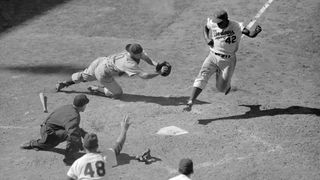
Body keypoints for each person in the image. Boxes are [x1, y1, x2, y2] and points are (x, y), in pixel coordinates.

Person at [183, 9, 262, 112]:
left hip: (228, 61)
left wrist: (255, 32)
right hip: (212, 57)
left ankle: (223, 79)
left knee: (221, 89)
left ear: (226, 20)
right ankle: (190, 102)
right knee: (201, 77)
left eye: (219, 22)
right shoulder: (213, 23)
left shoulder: (237, 26)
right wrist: (207, 39)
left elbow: (250, 34)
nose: (217, 24)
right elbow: (206, 28)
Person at [56, 43, 168, 98]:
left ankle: (65, 83)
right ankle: (99, 89)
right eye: (139, 53)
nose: (142, 53)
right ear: (134, 53)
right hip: (103, 73)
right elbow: (144, 76)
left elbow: (146, 58)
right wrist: (158, 73)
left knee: (84, 76)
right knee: (118, 94)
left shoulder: (134, 51)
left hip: (101, 61)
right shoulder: (128, 63)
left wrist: (157, 65)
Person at [20, 94, 90, 165]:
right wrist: (82, 147)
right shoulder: (74, 116)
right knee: (73, 136)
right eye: (85, 105)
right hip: (49, 134)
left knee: (75, 131)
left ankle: (36, 143)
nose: (86, 106)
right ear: (82, 105)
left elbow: (72, 126)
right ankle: (69, 159)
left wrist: (84, 134)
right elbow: (73, 134)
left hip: (46, 128)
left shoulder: (68, 107)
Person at [66, 115, 131, 180]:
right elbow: (119, 144)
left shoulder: (78, 162)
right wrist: (124, 129)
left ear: (84, 147)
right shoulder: (107, 156)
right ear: (97, 146)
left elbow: (69, 178)